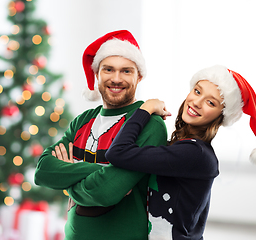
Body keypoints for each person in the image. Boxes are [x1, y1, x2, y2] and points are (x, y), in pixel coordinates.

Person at [105, 65, 256, 240]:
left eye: (211, 102)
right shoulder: (185, 148)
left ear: (220, 115)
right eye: (198, 91)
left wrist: (145, 109)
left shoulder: (194, 154)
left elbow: (117, 152)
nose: (197, 102)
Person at [34, 30, 167, 239]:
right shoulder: (82, 121)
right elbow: (42, 172)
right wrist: (103, 170)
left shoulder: (149, 123)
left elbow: (107, 191)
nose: (116, 79)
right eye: (108, 69)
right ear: (97, 74)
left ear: (139, 76)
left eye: (126, 71)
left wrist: (68, 178)